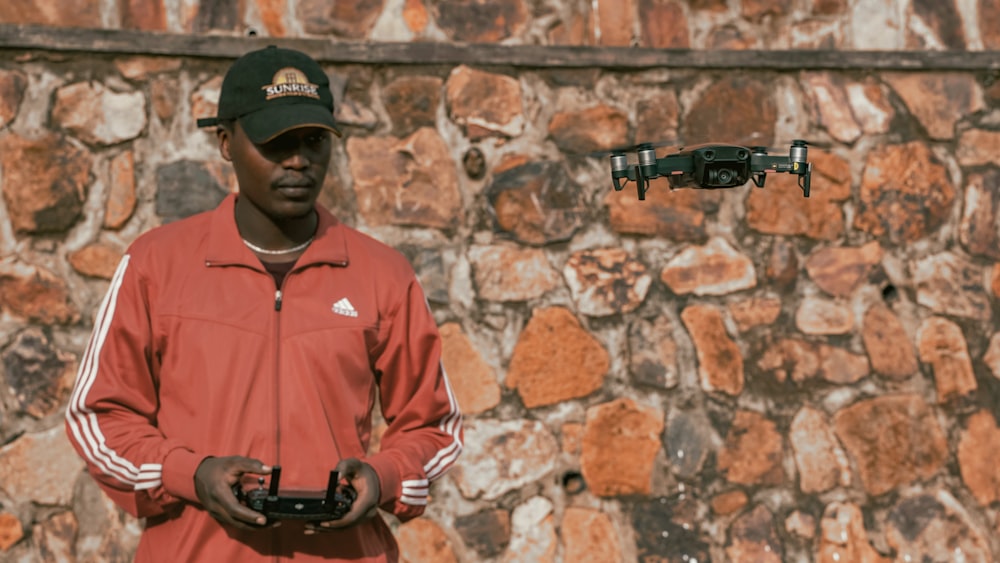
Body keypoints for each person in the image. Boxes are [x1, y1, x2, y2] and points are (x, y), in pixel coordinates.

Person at [64, 45, 463, 562]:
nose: (298, 160)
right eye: (276, 143)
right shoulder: (154, 265)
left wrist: (383, 476)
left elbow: (434, 425)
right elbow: (98, 418)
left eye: (314, 141)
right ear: (227, 143)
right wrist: (192, 474)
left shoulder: (383, 274)